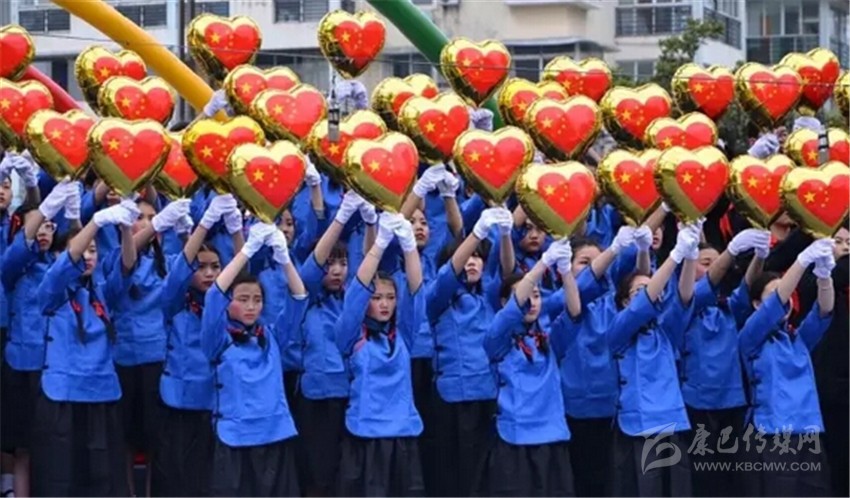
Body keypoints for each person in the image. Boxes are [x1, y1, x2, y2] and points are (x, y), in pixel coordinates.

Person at [30, 198, 141, 496]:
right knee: (60, 479)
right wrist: (96, 222)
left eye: (94, 250)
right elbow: (66, 262)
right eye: (84, 250)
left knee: (103, 480)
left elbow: (127, 266)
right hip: (62, 396)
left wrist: (126, 227)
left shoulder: (103, 292)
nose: (89, 256)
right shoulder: (52, 290)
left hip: (101, 394)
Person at [202, 222, 307, 497]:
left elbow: (299, 298)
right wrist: (246, 251)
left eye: (257, 300)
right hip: (235, 438)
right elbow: (214, 295)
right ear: (229, 302)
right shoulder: (217, 339)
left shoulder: (271, 336)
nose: (251, 306)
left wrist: (284, 258)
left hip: (275, 434)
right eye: (243, 299)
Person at [152, 196, 241, 497]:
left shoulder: (227, 305)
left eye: (216, 267)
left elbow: (243, 272)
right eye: (201, 267)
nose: (210, 273)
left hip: (215, 405)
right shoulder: (176, 303)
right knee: (176, 480)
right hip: (178, 403)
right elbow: (178, 272)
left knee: (210, 482)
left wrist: (236, 230)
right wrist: (204, 224)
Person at [554, 225, 653, 498]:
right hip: (574, 408)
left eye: (597, 263)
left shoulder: (615, 303)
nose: (592, 269)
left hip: (614, 408)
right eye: (584, 262)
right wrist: (614, 249)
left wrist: (644, 247)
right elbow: (580, 289)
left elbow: (642, 283)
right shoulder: (557, 301)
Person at [606, 221, 701, 496]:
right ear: (625, 301)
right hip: (637, 427)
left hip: (671, 423)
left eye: (653, 288)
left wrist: (691, 253)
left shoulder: (665, 330)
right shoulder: (619, 330)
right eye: (638, 291)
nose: (650, 293)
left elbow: (684, 297)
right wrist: (675, 255)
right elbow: (641, 307)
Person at [105, 196, 193, 494]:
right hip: (124, 357)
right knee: (126, 438)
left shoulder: (166, 262)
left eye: (151, 217)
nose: (145, 222)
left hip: (157, 356)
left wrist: (187, 231)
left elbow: (195, 264)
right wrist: (155, 224)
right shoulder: (114, 258)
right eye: (138, 218)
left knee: (157, 439)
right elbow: (127, 263)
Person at [423, 206, 513, 497]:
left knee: (486, 475)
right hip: (453, 398)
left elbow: (508, 273)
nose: (472, 262)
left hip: (489, 394)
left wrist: (506, 233)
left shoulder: (489, 296)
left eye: (478, 257)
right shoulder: (438, 298)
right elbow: (448, 276)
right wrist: (476, 234)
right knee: (454, 475)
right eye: (467, 257)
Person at [335, 212, 425, 497]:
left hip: (404, 435)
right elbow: (356, 293)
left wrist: (409, 247)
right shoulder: (351, 335)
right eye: (376, 298)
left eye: (390, 298)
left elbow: (417, 292)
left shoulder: (403, 335)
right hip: (365, 435)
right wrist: (380, 243)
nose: (384, 304)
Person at [477, 239, 577, 497]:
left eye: (537, 296)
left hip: (552, 435)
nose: (531, 302)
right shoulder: (497, 339)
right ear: (504, 302)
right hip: (514, 436)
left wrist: (565, 271)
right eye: (526, 296)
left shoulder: (550, 338)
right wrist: (542, 265)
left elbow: (574, 312)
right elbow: (512, 310)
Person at [739, 238, 835, 497]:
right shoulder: (751, 335)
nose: (785, 300)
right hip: (772, 432)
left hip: (809, 430)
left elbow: (824, 311)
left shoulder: (797, 338)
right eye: (773, 294)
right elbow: (776, 303)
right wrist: (801, 261)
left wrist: (824, 276)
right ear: (757, 304)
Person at [1, 180, 78, 497]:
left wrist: (73, 214)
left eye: (48, 225)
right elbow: (19, 250)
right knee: (21, 444)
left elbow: (79, 252)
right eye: (36, 225)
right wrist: (43, 209)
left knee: (51, 445)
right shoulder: (13, 268)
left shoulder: (58, 266)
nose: (43, 231)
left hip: (56, 368)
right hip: (21, 365)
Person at [679, 229, 770, 497]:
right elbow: (706, 284)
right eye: (705, 262)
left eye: (716, 261)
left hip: (732, 401)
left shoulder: (728, 306)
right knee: (704, 477)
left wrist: (760, 256)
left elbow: (747, 287)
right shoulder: (683, 304)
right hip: (696, 403)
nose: (714, 266)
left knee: (732, 476)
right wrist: (730, 252)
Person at [292, 191, 368, 497]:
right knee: (317, 473)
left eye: (343, 263)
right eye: (330, 263)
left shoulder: (351, 299)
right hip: (316, 397)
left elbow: (367, 266)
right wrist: (341, 218)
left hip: (350, 395)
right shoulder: (307, 297)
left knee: (346, 474)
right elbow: (312, 268)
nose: (336, 270)